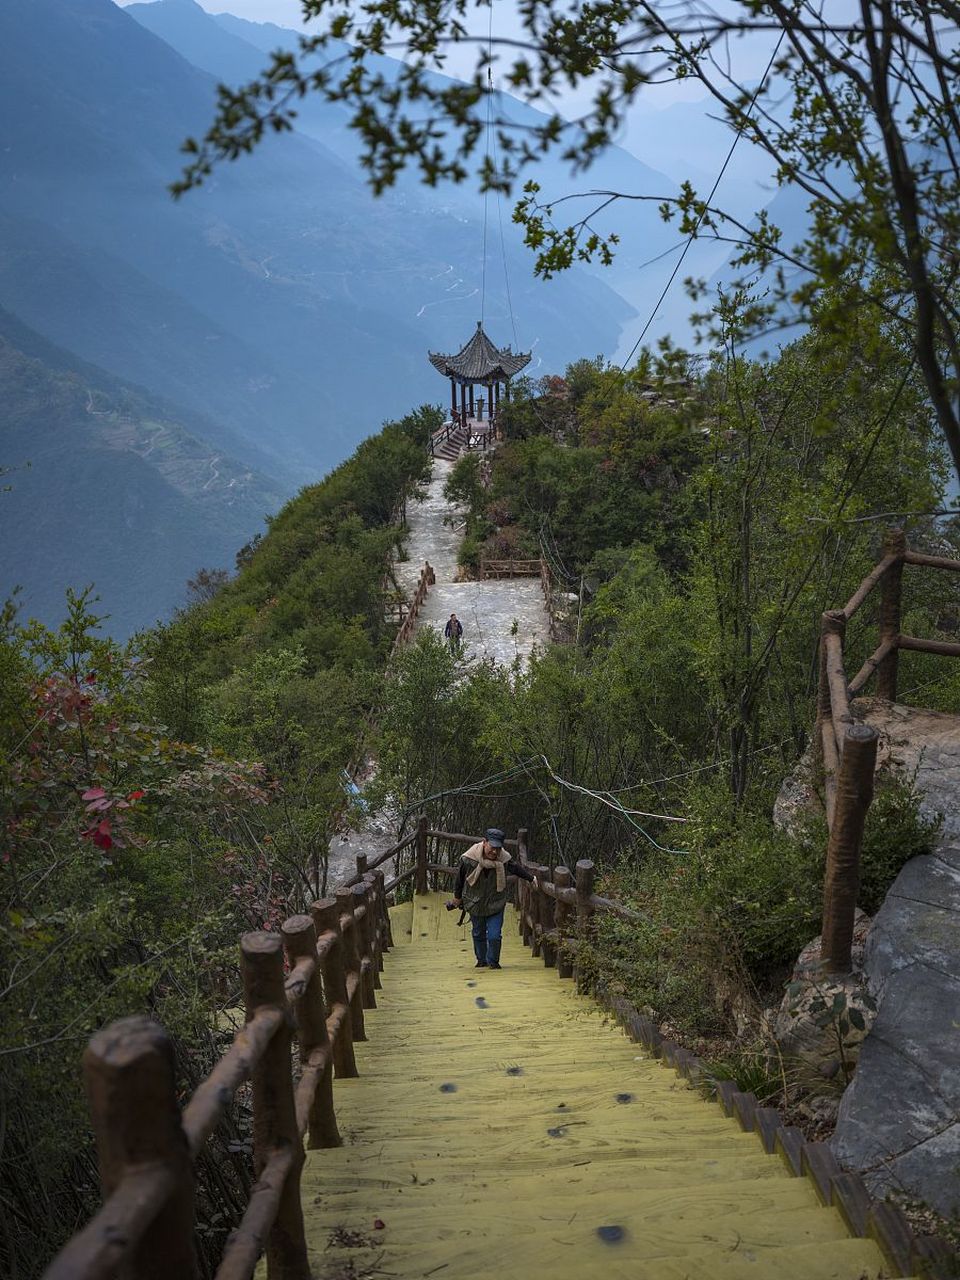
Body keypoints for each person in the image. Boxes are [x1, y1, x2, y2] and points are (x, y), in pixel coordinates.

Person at [453, 828, 538, 969]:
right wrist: (457, 898)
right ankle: (481, 960)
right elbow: (460, 878)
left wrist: (530, 878)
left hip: (495, 902)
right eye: (492, 847)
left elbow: (515, 869)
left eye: (498, 848)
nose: (494, 852)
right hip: (475, 902)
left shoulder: (504, 859)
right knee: (478, 933)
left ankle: (493, 961)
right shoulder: (469, 858)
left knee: (494, 936)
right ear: (484, 842)